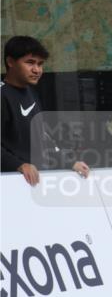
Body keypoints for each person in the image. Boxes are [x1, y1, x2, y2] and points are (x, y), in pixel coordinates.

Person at [1, 36, 90, 186]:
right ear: (10, 62)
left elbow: (42, 139)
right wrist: (19, 165)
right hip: (9, 184)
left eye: (40, 64)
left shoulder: (31, 93)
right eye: (30, 63)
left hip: (36, 181)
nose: (37, 70)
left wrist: (69, 163)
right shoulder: (2, 95)